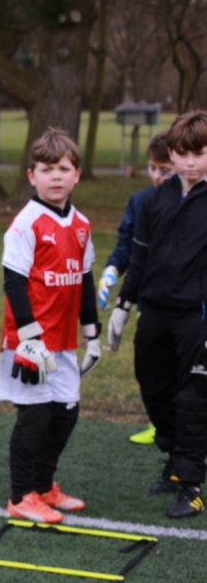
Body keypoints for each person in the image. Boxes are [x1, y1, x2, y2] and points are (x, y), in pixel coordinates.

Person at [107, 110, 207, 519]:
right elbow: (141, 256)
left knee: (193, 399)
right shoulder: (154, 200)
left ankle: (192, 484)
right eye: (183, 153)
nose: (191, 162)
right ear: (171, 154)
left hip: (197, 318)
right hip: (155, 313)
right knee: (153, 388)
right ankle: (172, 459)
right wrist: (123, 306)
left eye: (200, 153)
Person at [0, 128, 101, 524]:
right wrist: (29, 338)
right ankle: (21, 496)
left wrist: (91, 334)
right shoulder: (26, 224)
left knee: (65, 414)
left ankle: (43, 487)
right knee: (35, 416)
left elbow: (85, 279)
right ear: (31, 176)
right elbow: (14, 283)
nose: (55, 176)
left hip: (64, 342)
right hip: (30, 342)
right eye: (46, 169)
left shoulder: (81, 223)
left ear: (77, 174)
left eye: (63, 168)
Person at [96, 132, 176, 445]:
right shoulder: (140, 202)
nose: (157, 176)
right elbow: (129, 246)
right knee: (152, 372)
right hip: (149, 301)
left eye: (164, 169)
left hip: (190, 305)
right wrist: (113, 269)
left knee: (187, 374)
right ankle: (162, 425)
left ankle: (185, 438)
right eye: (153, 168)